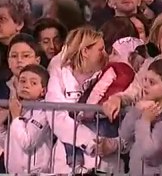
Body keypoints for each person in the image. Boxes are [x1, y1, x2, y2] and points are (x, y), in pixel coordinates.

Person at [46, 26, 122, 174]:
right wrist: (91, 141)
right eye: (100, 50)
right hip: (69, 157)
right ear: (85, 51)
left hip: (105, 157)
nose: (105, 54)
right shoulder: (59, 72)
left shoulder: (108, 73)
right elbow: (56, 116)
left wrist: (108, 145)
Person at [98, 58, 162, 175]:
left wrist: (145, 120)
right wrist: (136, 111)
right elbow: (124, 134)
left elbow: (150, 153)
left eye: (152, 82)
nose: (145, 85)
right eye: (145, 80)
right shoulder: (145, 105)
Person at [0, 64, 51, 173]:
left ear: (43, 91)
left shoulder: (43, 111)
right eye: (23, 81)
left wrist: (16, 117)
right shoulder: (19, 107)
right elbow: (8, 143)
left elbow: (27, 142)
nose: (26, 86)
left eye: (33, 83)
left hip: (35, 172)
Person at [5, 33, 43, 99]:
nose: (19, 60)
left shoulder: (48, 89)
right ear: (9, 62)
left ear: (37, 61)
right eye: (14, 56)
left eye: (25, 56)